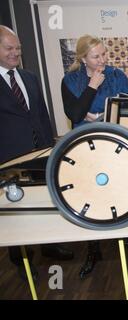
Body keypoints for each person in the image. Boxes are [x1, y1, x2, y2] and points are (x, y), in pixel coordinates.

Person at [0, 25, 73, 280]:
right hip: (7, 159)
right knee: (14, 208)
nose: (15, 53)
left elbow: (42, 115)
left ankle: (50, 245)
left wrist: (50, 147)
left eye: (18, 48)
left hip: (39, 153)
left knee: (43, 200)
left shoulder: (29, 77)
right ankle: (21, 257)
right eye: (9, 48)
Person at [61, 34, 128, 279]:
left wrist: (104, 112)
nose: (103, 59)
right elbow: (75, 113)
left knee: (119, 190)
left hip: (114, 145)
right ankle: (93, 249)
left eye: (104, 54)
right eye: (96, 56)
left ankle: (123, 237)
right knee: (89, 196)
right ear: (83, 58)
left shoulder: (116, 75)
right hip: (85, 148)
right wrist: (92, 86)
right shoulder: (70, 81)